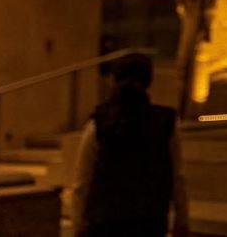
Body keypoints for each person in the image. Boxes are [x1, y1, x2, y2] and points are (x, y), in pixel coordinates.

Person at [72, 53, 188, 237]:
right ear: (149, 81)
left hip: (104, 222)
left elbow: (82, 182)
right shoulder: (166, 122)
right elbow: (177, 177)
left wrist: (78, 224)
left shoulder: (99, 123)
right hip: (149, 221)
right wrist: (181, 219)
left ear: (113, 80)